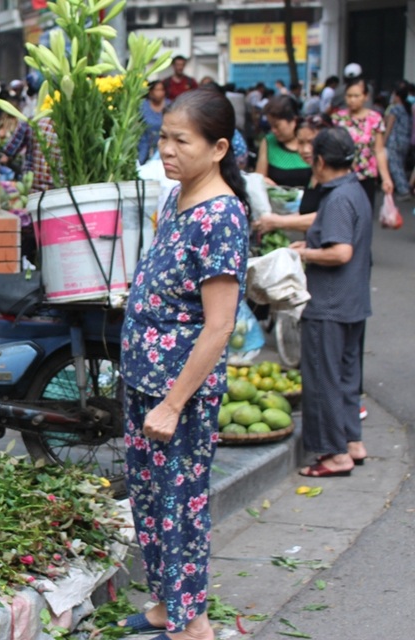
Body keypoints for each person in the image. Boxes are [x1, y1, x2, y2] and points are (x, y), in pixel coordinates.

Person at [117, 89, 249, 640]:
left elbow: (218, 326)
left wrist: (174, 403)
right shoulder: (178, 198)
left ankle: (194, 624)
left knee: (181, 509)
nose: (165, 149)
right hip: (143, 382)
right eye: (163, 137)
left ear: (218, 148)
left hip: (180, 393)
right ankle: (165, 606)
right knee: (149, 503)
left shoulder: (221, 215)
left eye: (180, 140)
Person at [290, 127, 372, 477]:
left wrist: (305, 254)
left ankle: (335, 454)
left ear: (321, 161)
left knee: (323, 377)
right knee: (346, 376)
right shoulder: (355, 189)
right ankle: (352, 442)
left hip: (330, 303)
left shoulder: (337, 198)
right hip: (353, 301)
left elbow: (340, 251)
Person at [253, 114, 334, 234]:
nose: (306, 150)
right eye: (300, 143)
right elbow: (305, 213)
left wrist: (279, 222)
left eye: (311, 142)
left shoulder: (333, 177)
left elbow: (327, 218)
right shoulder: (313, 174)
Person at [332, 76, 393, 207]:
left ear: (366, 97)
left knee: (364, 216)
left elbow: (379, 150)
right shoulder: (338, 119)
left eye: (356, 96)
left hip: (366, 177)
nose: (352, 100)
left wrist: (386, 178)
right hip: (342, 175)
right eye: (349, 96)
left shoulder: (375, 119)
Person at [255, 94, 312, 187]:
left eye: (277, 126)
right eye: (271, 126)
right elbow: (258, 178)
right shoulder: (269, 142)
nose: (273, 130)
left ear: (293, 121)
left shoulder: (311, 140)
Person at [384, 82, 412, 199]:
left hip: (395, 141)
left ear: (397, 96)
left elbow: (389, 127)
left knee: (395, 166)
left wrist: (383, 141)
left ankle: (403, 190)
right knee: (400, 164)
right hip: (405, 140)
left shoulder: (395, 110)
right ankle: (402, 188)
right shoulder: (408, 109)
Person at [138, 81, 168, 164]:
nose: (160, 93)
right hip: (143, 145)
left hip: (163, 147)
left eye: (162, 90)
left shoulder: (170, 106)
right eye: (157, 90)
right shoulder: (142, 106)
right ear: (150, 92)